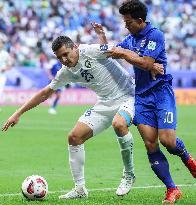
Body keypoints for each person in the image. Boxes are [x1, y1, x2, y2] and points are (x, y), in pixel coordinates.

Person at [2, 35, 143, 199]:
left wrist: (149, 64)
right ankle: (80, 189)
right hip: (105, 103)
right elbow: (45, 93)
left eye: (66, 53)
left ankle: (129, 174)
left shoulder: (90, 50)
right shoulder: (66, 72)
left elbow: (118, 51)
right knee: (74, 137)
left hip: (129, 96)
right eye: (60, 57)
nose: (64, 59)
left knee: (119, 124)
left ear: (75, 47)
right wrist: (18, 112)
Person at [93, 1, 196, 204]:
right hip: (141, 97)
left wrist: (125, 54)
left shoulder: (155, 35)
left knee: (168, 141)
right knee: (150, 144)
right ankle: (172, 189)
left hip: (161, 94)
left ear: (140, 21)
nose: (126, 26)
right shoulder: (130, 39)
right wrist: (102, 38)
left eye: (129, 22)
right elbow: (109, 53)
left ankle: (189, 160)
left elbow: (147, 63)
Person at [0, 39, 12, 109]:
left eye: (1, 43)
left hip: (2, 75)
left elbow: (9, 65)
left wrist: (5, 68)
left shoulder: (5, 54)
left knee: (0, 90)